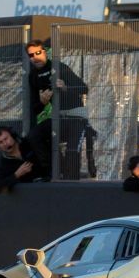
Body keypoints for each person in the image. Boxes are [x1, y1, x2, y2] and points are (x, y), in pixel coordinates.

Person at [25, 39, 95, 179]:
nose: (35, 57)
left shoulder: (60, 67)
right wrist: (42, 101)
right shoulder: (33, 76)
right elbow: (35, 109)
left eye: (38, 52)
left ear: (44, 52)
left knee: (72, 153)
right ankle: (51, 171)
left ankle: (71, 178)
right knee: (34, 136)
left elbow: (84, 88)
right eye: (31, 55)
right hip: (58, 118)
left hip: (76, 118)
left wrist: (65, 88)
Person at [0, 126, 50, 193]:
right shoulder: (3, 163)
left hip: (50, 182)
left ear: (13, 136)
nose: (5, 143)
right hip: (32, 193)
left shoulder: (29, 143)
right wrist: (17, 174)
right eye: (0, 142)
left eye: (6, 138)